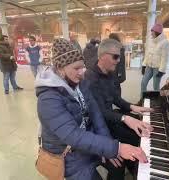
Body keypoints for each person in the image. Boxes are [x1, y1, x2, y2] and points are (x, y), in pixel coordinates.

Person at [35, 38, 148, 180]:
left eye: (82, 66)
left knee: (118, 164)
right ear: (59, 68)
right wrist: (116, 148)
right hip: (68, 156)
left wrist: (109, 147)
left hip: (88, 143)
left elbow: (96, 115)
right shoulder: (48, 99)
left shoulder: (80, 83)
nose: (82, 72)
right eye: (76, 68)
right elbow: (74, 136)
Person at [85, 39, 153, 180]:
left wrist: (133, 107)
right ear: (102, 56)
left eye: (119, 57)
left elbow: (116, 98)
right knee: (118, 163)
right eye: (115, 57)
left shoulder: (110, 73)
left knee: (138, 134)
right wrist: (125, 118)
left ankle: (138, 170)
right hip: (98, 126)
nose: (118, 61)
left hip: (109, 120)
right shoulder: (90, 78)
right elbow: (99, 113)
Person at [141, 23, 169, 96]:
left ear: (157, 32)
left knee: (155, 86)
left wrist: (161, 70)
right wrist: (144, 64)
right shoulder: (150, 40)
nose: (151, 33)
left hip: (157, 68)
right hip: (149, 66)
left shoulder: (165, 42)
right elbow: (147, 53)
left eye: (152, 31)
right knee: (143, 83)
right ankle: (142, 99)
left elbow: (165, 58)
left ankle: (157, 101)